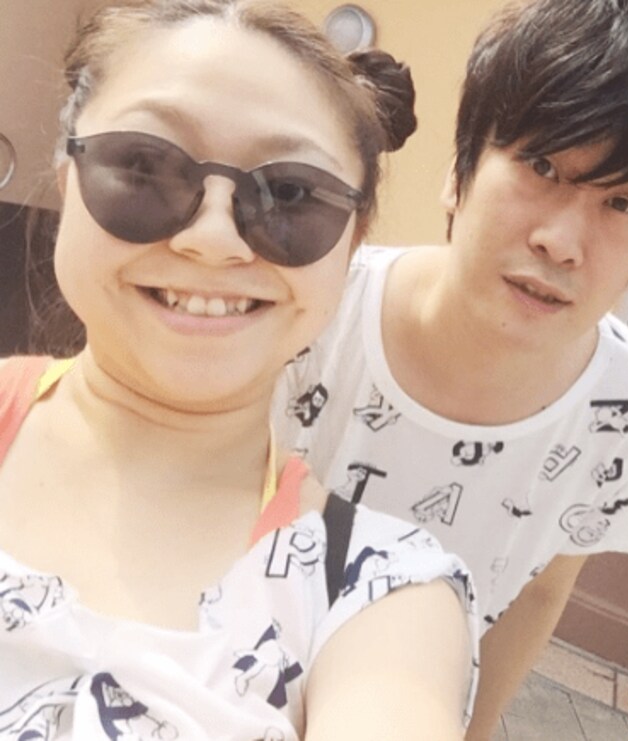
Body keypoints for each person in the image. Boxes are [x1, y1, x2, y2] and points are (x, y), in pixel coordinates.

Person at [0, 1, 479, 738]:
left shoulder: (375, 594)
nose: (214, 238)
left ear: (351, 246)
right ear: (68, 179)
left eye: (290, 194)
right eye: (144, 166)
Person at [272, 0, 628, 737]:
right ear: (459, 173)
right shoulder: (312, 309)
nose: (562, 242)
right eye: (542, 166)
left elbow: (542, 592)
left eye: (621, 202)